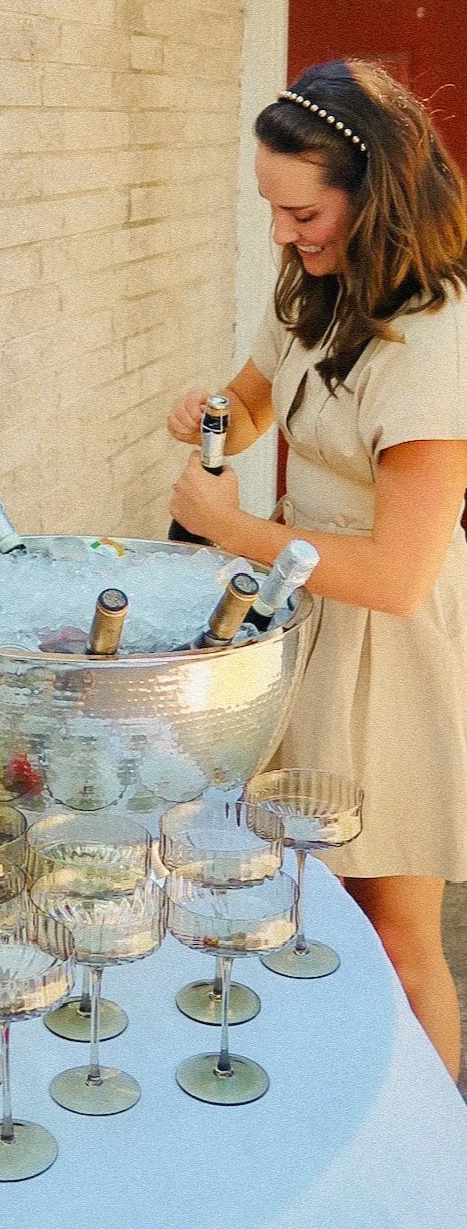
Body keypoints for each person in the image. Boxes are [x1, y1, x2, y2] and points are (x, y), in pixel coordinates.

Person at [166, 58, 467, 1081]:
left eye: (301, 211)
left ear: (371, 196)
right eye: (271, 209)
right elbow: (253, 403)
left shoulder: (434, 337)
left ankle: (437, 1173)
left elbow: (396, 574)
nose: (283, 234)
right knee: (299, 904)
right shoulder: (315, 287)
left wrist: (233, 528)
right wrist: (215, 418)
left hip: (389, 643)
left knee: (394, 932)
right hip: (305, 616)